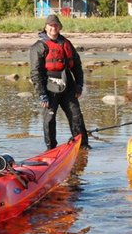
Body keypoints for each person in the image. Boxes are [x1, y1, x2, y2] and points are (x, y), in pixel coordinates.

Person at [29, 14, 90, 150]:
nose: (53, 28)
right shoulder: (38, 47)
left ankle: (83, 146)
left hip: (68, 87)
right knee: (49, 119)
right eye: (51, 26)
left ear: (60, 27)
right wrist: (42, 94)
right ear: (46, 27)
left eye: (56, 25)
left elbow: (77, 66)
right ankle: (51, 149)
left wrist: (79, 86)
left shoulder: (66, 43)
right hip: (49, 88)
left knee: (76, 116)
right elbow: (35, 73)